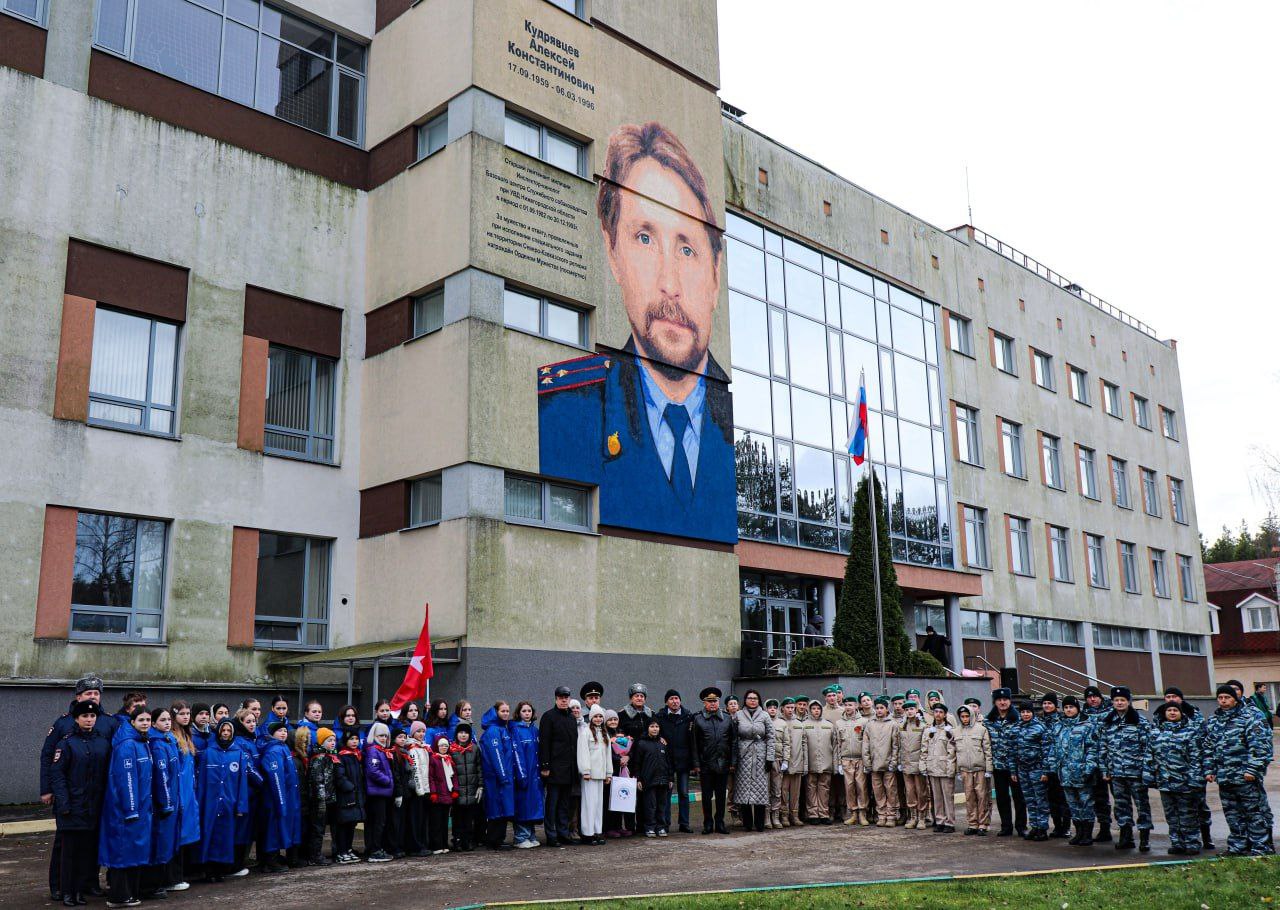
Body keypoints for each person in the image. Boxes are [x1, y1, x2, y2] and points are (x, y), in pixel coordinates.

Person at [539, 122, 735, 545]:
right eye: (644, 238)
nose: (670, 282)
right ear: (614, 256)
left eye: (687, 248)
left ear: (715, 275)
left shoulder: (734, 430)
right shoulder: (563, 412)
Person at [41, 674, 118, 903]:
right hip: (70, 795)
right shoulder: (64, 723)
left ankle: (89, 883)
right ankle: (59, 886)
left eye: (96, 693)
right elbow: (49, 758)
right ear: (78, 696)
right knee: (64, 845)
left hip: (95, 795)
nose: (93, 697)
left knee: (92, 842)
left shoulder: (109, 722)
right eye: (88, 693)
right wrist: (47, 789)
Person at [49, 701, 110, 908]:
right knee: (69, 854)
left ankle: (80, 890)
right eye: (84, 716)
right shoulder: (66, 743)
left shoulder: (102, 742)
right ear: (76, 718)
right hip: (72, 807)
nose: (89, 719)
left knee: (86, 852)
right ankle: (67, 891)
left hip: (93, 807)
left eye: (92, 717)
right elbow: (57, 776)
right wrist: (64, 804)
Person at [1203, 684, 1274, 856]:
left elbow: (1260, 746)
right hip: (1225, 777)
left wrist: (1252, 770)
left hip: (1245, 777)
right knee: (1233, 815)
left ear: (1235, 699)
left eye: (1227, 698)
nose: (1223, 701)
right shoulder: (1214, 720)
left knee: (1254, 813)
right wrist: (1209, 769)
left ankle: (1261, 847)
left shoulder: (1249, 717)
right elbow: (1208, 747)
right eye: (1220, 698)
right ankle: (1238, 847)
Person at [100, 706, 154, 907]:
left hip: (140, 809)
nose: (146, 723)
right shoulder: (127, 745)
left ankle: (130, 892)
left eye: (148, 720)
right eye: (141, 720)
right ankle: (119, 896)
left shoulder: (142, 742)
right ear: (132, 722)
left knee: (133, 852)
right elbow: (127, 780)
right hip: (126, 811)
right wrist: (131, 809)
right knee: (123, 852)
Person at [1098, 686, 1153, 852]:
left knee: (1142, 806)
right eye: (1116, 700)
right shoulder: (1108, 723)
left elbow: (1148, 748)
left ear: (1129, 702)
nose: (1119, 703)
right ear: (1112, 702)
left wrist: (1146, 770)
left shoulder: (1140, 722)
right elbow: (1103, 747)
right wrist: (1104, 769)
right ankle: (1126, 836)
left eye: (1123, 700)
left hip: (1136, 773)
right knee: (1121, 806)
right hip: (1116, 773)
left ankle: (1144, 838)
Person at [195, 719, 250, 881]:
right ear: (218, 732)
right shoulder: (208, 753)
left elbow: (242, 783)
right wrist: (200, 803)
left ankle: (221, 870)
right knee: (209, 836)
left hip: (229, 804)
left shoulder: (238, 753)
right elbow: (201, 781)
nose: (225, 733)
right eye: (223, 730)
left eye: (229, 731)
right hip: (210, 804)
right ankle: (208, 870)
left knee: (226, 837)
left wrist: (241, 806)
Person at [1151, 702, 1207, 855]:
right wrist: (1149, 775)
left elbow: (1196, 758)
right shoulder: (1156, 733)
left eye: (1175, 710)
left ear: (1181, 713)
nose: (1172, 713)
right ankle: (1177, 843)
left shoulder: (1190, 732)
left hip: (1185, 782)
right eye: (1169, 710)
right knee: (1171, 816)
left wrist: (1195, 779)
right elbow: (1150, 756)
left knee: (1188, 815)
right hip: (1164, 782)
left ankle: (1192, 842)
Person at [1046, 696, 1098, 846]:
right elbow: (1053, 748)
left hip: (1082, 773)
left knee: (1085, 804)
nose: (1068, 710)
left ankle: (1087, 834)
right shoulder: (1058, 726)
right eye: (1066, 707)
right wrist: (1052, 767)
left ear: (1077, 708)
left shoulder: (1087, 726)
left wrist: (1089, 769)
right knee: (1072, 805)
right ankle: (1079, 832)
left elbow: (1092, 749)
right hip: (1065, 773)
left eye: (1071, 707)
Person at [144, 708, 180, 897]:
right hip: (163, 804)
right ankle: (154, 884)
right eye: (162, 720)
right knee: (160, 842)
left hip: (173, 800)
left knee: (167, 843)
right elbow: (162, 776)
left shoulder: (169, 740)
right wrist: (166, 803)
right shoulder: (158, 745)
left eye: (168, 719)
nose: (167, 723)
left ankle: (163, 880)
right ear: (154, 723)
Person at [690, 686, 735, 835]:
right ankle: (708, 823)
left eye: (715, 701)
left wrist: (733, 762)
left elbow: (733, 742)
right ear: (704, 703)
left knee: (721, 796)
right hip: (705, 765)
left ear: (718, 702)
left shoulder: (727, 719)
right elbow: (694, 744)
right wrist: (696, 764)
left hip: (723, 763)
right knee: (707, 796)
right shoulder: (698, 719)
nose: (712, 704)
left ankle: (720, 823)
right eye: (709, 701)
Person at [257, 720, 301, 872]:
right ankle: (271, 860)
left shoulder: (282, 748)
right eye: (279, 730)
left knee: (278, 827)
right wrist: (281, 801)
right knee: (273, 828)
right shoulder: (274, 750)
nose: (283, 733)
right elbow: (276, 777)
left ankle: (273, 858)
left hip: (285, 796)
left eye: (285, 730)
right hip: (276, 798)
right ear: (271, 733)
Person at [539, 686, 579, 847]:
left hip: (569, 769)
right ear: (556, 699)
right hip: (554, 769)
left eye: (566, 697)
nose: (564, 700)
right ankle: (551, 835)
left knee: (564, 804)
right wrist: (545, 765)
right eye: (561, 697)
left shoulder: (571, 717)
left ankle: (563, 833)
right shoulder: (548, 717)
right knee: (552, 804)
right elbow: (544, 743)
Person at [731, 690, 774, 832]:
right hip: (743, 754)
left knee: (760, 789)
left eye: (755, 698)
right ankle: (747, 823)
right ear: (745, 700)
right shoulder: (738, 715)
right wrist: (734, 758)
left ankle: (760, 823)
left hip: (760, 754)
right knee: (744, 790)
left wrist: (769, 758)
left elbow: (771, 737)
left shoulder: (765, 715)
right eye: (750, 698)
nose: (753, 700)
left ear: (759, 700)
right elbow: (733, 737)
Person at [986, 687, 1027, 837]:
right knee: (1002, 798)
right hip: (998, 765)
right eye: (999, 700)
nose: (1002, 702)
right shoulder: (988, 720)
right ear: (995, 702)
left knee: (1019, 797)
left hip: (1015, 766)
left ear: (1010, 701)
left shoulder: (1018, 719)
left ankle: (1021, 826)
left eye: (1005, 700)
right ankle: (1006, 826)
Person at [168, 701, 200, 890]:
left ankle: (180, 875)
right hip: (179, 793)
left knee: (184, 834)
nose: (186, 716)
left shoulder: (187, 735)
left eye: (188, 713)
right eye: (182, 713)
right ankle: (173, 877)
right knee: (175, 836)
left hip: (188, 792)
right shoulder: (172, 738)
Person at [1010, 700, 1051, 841]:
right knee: (1029, 800)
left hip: (1037, 769)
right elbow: (1012, 751)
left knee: (1041, 800)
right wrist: (1013, 771)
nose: (1025, 714)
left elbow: (1046, 751)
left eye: (1028, 712)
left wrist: (1046, 771)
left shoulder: (1040, 727)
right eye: (1023, 712)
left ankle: (1043, 828)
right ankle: (1034, 826)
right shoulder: (1016, 728)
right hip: (1022, 770)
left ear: (1032, 713)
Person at [480, 703, 520, 850]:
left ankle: (498, 838)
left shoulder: (503, 729)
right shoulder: (493, 731)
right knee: (497, 809)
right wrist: (503, 776)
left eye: (507, 711)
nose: (505, 713)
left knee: (502, 808)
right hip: (497, 779)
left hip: (503, 777)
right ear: (496, 712)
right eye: (503, 711)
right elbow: (497, 756)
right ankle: (494, 840)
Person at [656, 689, 695, 833]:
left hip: (684, 761)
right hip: (667, 761)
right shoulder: (660, 717)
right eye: (671, 699)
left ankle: (684, 823)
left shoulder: (688, 717)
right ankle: (665, 823)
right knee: (666, 793)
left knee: (684, 793)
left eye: (677, 698)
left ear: (680, 701)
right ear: (666, 702)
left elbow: (692, 740)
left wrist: (693, 762)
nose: (674, 701)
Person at [230, 709, 262, 876]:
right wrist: (263, 783)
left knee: (247, 829)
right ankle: (235, 864)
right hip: (246, 792)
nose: (252, 724)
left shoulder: (252, 739)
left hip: (253, 792)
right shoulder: (240, 742)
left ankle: (241, 861)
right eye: (248, 721)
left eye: (253, 721)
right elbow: (249, 768)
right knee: (240, 830)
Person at [1081, 685, 1114, 842]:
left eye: (1095, 696)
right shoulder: (1083, 714)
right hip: (1092, 762)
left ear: (1100, 697)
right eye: (1089, 697)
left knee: (1120, 798)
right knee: (1098, 797)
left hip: (1110, 761)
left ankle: (1126, 831)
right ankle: (1104, 828)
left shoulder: (1111, 712)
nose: (1092, 699)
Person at [954, 704, 992, 835]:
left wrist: (989, 769)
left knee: (982, 797)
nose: (964, 719)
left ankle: (983, 823)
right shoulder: (956, 731)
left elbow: (987, 750)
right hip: (965, 770)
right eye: (962, 716)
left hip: (979, 769)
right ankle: (972, 823)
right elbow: (954, 752)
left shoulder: (981, 730)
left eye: (966, 716)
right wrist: (957, 770)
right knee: (969, 797)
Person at [862, 696, 900, 827]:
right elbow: (866, 745)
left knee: (891, 790)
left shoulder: (892, 724)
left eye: (881, 708)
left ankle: (891, 816)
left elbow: (895, 745)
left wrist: (893, 762)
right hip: (874, 765)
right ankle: (881, 815)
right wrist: (867, 763)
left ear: (886, 709)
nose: (879, 710)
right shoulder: (870, 725)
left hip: (888, 764)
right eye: (877, 708)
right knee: (878, 791)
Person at [834, 695, 871, 827]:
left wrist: (867, 761)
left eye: (851, 705)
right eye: (846, 705)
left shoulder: (864, 722)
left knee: (861, 787)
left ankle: (862, 813)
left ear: (856, 706)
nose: (848, 707)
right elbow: (837, 744)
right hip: (846, 760)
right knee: (849, 787)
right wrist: (838, 763)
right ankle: (853, 813)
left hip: (860, 759)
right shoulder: (839, 723)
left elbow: (867, 744)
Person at [511, 701, 544, 848]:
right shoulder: (516, 730)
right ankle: (520, 837)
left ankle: (530, 835)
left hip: (535, 776)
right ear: (519, 713)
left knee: (533, 805)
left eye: (529, 711)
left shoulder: (535, 730)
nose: (527, 713)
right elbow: (517, 754)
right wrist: (521, 774)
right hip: (524, 775)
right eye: (524, 711)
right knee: (523, 805)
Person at [633, 718, 672, 837]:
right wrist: (638, 779)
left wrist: (670, 778)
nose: (655, 729)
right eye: (652, 726)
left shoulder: (663, 743)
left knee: (662, 805)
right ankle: (650, 827)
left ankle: (661, 827)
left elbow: (668, 762)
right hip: (648, 780)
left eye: (657, 727)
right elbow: (637, 763)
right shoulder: (641, 743)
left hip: (663, 780)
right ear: (647, 728)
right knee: (650, 805)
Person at [578, 704, 611, 844]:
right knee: (589, 804)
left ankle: (597, 831)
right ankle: (588, 833)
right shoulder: (585, 732)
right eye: (595, 716)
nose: (598, 719)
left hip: (601, 774)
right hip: (589, 776)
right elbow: (582, 752)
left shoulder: (604, 734)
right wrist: (585, 770)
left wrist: (609, 773)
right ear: (591, 718)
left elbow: (608, 755)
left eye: (600, 717)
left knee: (598, 805)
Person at [1038, 693, 1070, 838]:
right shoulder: (1038, 720)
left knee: (1064, 798)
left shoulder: (1062, 719)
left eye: (1050, 703)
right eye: (1045, 703)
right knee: (1052, 799)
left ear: (1055, 705)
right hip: (1046, 765)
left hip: (1062, 765)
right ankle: (1057, 826)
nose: (1047, 706)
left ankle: (1066, 827)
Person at [362, 721, 395, 862]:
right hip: (377, 793)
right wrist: (388, 780)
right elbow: (373, 771)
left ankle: (374, 848)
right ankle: (375, 850)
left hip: (381, 792)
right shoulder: (374, 751)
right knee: (378, 822)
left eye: (385, 736)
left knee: (377, 822)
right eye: (380, 735)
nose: (383, 739)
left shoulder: (380, 750)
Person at [922, 703, 957, 833]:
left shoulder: (949, 730)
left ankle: (950, 822)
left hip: (945, 768)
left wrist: (950, 769)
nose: (938, 714)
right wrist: (924, 766)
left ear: (945, 714)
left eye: (941, 712)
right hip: (932, 767)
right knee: (937, 797)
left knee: (948, 797)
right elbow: (924, 750)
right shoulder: (928, 731)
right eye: (936, 712)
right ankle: (940, 821)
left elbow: (952, 752)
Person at [306, 728, 339, 865]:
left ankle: (318, 854)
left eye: (334, 740)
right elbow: (318, 781)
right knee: (318, 829)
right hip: (320, 800)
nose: (332, 743)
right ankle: (315, 855)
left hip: (329, 798)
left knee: (323, 828)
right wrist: (321, 801)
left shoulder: (329, 757)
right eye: (329, 740)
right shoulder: (318, 759)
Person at [801, 698, 836, 825]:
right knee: (810, 788)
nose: (816, 711)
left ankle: (824, 813)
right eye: (813, 709)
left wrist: (835, 764)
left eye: (818, 709)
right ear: (810, 710)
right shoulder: (804, 725)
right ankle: (813, 813)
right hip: (810, 763)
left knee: (824, 789)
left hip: (826, 763)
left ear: (821, 710)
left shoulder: (829, 725)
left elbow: (835, 745)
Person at [450, 722, 484, 851]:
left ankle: (468, 840)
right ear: (456, 734)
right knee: (457, 817)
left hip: (471, 789)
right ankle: (457, 840)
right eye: (460, 733)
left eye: (466, 733)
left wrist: (481, 785)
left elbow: (479, 768)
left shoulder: (474, 748)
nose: (463, 735)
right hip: (457, 791)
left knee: (469, 817)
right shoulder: (451, 749)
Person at [333, 732, 365, 864]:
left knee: (352, 824)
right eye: (351, 739)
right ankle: (341, 851)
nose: (355, 741)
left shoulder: (357, 756)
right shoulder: (341, 756)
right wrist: (350, 787)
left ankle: (348, 848)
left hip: (356, 795)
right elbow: (339, 777)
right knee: (343, 825)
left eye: (357, 739)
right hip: (346, 796)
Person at [603, 711, 635, 837]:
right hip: (610, 771)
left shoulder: (622, 734)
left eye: (615, 719)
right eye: (610, 720)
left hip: (621, 772)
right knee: (608, 800)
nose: (613, 722)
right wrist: (618, 759)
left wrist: (627, 757)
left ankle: (618, 826)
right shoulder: (604, 735)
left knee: (619, 800)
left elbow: (631, 749)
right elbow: (606, 753)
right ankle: (608, 827)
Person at [898, 700, 928, 829]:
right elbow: (898, 745)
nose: (909, 711)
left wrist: (923, 763)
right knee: (910, 792)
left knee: (921, 792)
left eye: (911, 709)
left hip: (918, 764)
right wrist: (900, 761)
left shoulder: (923, 726)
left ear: (916, 710)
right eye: (907, 709)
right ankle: (913, 817)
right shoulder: (902, 726)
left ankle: (922, 818)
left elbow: (925, 746)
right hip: (906, 764)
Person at [403, 723, 430, 856]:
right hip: (417, 790)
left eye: (423, 731)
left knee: (422, 819)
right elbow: (416, 771)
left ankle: (422, 844)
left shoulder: (424, 747)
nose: (421, 733)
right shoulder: (413, 749)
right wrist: (419, 789)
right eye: (418, 731)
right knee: (415, 819)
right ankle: (415, 846)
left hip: (425, 789)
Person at [426, 735, 457, 854]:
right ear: (437, 746)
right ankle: (436, 845)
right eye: (441, 745)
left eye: (445, 745)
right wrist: (433, 792)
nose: (444, 747)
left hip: (447, 795)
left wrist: (455, 790)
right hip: (437, 795)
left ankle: (444, 844)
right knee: (436, 822)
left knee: (444, 822)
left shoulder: (449, 759)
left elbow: (453, 777)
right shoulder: (434, 759)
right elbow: (431, 777)